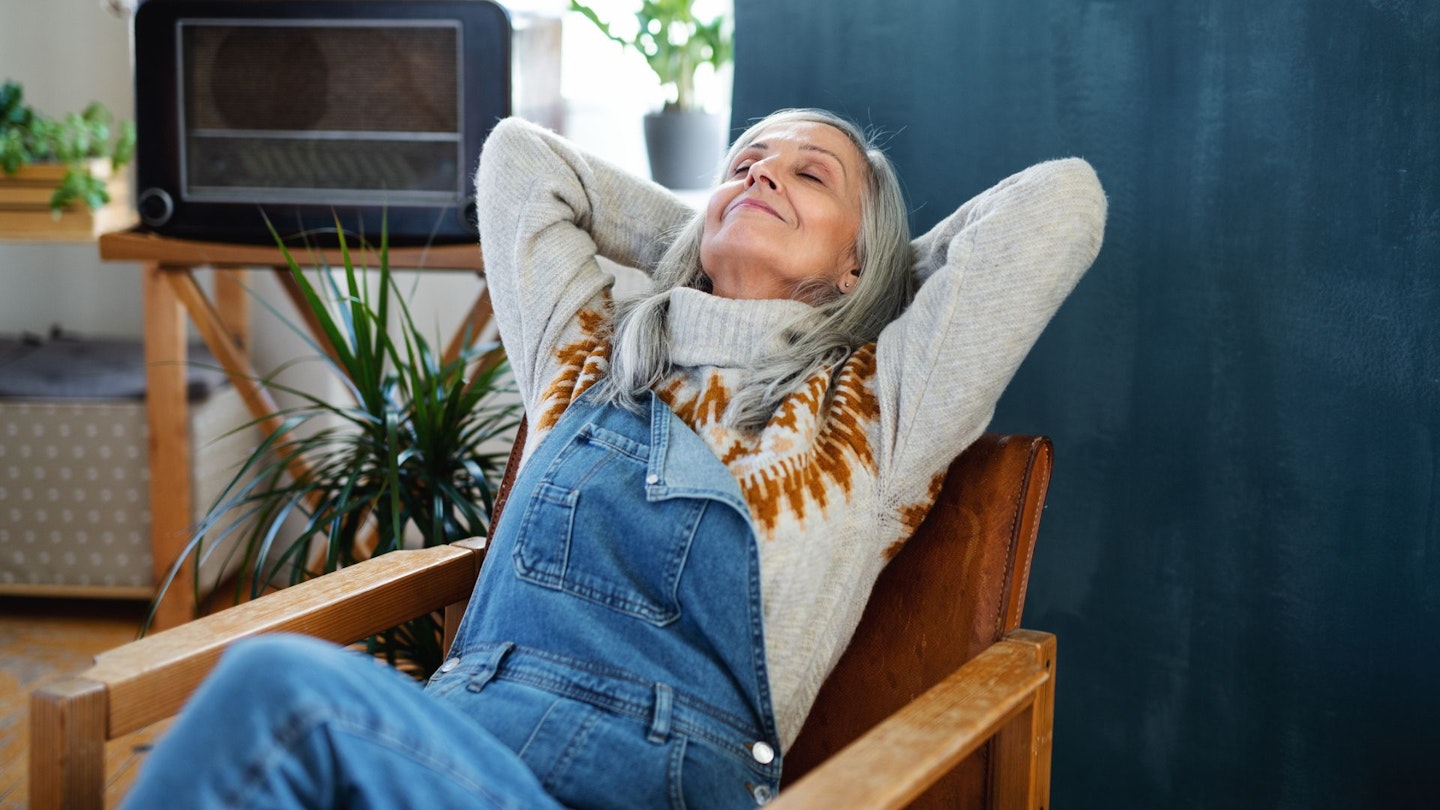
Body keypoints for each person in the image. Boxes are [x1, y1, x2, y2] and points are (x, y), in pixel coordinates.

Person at [120, 108, 1106, 809]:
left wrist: (878, 278)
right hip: (450, 752)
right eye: (744, 162)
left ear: (862, 261)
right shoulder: (586, 346)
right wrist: (721, 228)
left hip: (655, 787)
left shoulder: (876, 408)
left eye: (810, 174)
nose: (761, 172)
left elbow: (1062, 205)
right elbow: (520, 160)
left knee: (277, 696)